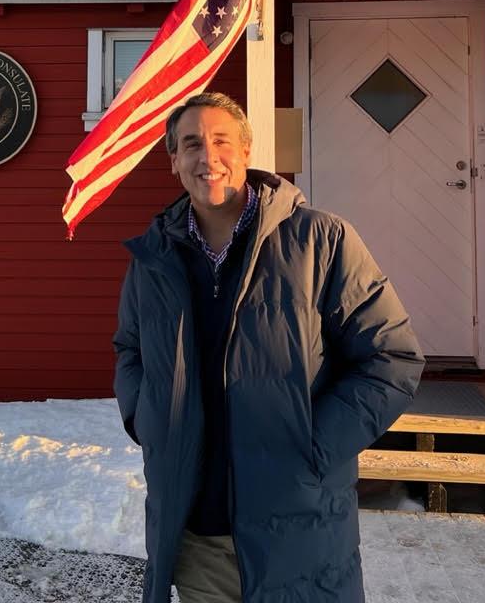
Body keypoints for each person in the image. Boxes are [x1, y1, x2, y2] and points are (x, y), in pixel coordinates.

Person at [113, 92, 424, 603]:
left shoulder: (320, 240)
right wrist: (147, 419)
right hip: (197, 535)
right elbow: (130, 350)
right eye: (190, 144)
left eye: (221, 141)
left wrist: (313, 446)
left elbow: (391, 358)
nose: (207, 157)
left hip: (299, 530)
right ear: (173, 161)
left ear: (247, 150)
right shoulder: (153, 258)